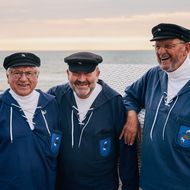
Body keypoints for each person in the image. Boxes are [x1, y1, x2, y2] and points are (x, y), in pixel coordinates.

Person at [48, 52, 139, 190]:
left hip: (102, 185)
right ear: (67, 73)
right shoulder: (56, 96)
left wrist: (129, 186)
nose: (82, 79)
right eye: (76, 73)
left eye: (88, 73)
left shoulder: (113, 101)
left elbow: (127, 152)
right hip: (63, 184)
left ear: (97, 73)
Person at [122, 23, 190, 189]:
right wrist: (131, 116)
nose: (161, 52)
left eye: (168, 46)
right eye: (157, 46)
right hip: (149, 182)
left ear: (187, 48)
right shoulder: (154, 75)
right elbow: (130, 95)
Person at [0, 52, 62, 190]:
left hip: (47, 184)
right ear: (7, 77)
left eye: (29, 73)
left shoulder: (52, 104)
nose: (23, 79)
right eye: (17, 73)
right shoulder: (1, 105)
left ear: (37, 76)